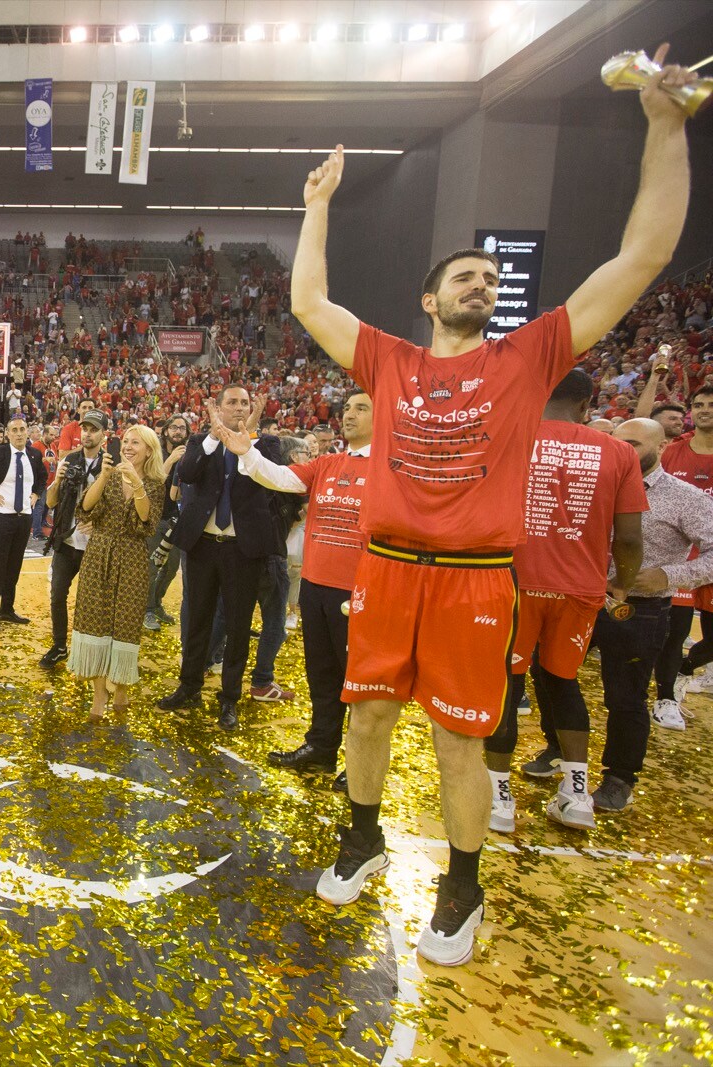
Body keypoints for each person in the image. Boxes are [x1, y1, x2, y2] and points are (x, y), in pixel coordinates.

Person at [290, 44, 693, 967]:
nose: (483, 281)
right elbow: (310, 298)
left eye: (490, 276)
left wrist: (663, 127)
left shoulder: (529, 359)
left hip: (476, 578)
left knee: (461, 744)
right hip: (386, 568)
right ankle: (361, 837)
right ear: (428, 297)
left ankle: (462, 889)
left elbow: (644, 254)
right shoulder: (391, 359)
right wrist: (315, 207)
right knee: (365, 720)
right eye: (463, 275)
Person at [485, 372, 645, 832]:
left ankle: (499, 799)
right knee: (561, 683)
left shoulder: (508, 438)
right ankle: (577, 795)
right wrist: (622, 584)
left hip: (511, 582)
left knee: (506, 687)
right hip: (579, 589)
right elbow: (630, 539)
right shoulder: (617, 452)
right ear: (585, 405)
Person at [215, 393, 374, 779]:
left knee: (359, 683)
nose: (348, 413)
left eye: (361, 408)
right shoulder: (328, 463)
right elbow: (282, 479)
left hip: (361, 593)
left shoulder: (390, 468)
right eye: (347, 407)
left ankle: (359, 766)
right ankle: (321, 747)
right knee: (321, 674)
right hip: (316, 587)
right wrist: (246, 454)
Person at [574, 418, 713, 812]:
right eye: (616, 443)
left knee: (625, 696)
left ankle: (619, 777)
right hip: (580, 598)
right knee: (553, 677)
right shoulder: (593, 483)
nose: (621, 451)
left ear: (664, 446)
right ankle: (557, 749)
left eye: (632, 444)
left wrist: (670, 575)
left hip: (639, 609)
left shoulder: (684, 497)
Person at [153, 386, 284, 731]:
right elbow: (188, 474)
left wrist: (249, 439)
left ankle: (229, 699)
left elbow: (270, 481)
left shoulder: (267, 445)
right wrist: (213, 437)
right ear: (218, 408)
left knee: (239, 626)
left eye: (245, 403)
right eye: (232, 402)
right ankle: (189, 686)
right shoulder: (199, 442)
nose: (239, 408)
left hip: (243, 549)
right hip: (203, 545)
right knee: (198, 618)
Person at [68, 424, 165, 719]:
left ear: (149, 449)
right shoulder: (107, 475)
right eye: (126, 441)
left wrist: (135, 481)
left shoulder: (155, 483)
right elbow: (85, 507)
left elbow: (145, 519)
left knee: (125, 624)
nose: (128, 446)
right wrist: (105, 475)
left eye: (136, 443)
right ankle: (99, 692)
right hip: (99, 554)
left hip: (133, 558)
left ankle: (121, 684)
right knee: (95, 619)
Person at [651, 384, 713, 725]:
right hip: (679, 558)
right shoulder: (673, 451)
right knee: (674, 633)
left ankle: (686, 669)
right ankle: (665, 698)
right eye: (699, 404)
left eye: (711, 405)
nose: (705, 409)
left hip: (711, 552)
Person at [39, 410, 109, 669]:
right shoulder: (69, 461)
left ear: (104, 434)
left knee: (90, 602)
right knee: (57, 595)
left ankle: (87, 649)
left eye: (93, 429)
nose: (88, 434)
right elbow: (50, 502)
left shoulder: (109, 466)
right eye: (85, 429)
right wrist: (56, 481)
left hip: (95, 545)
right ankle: (59, 645)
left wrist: (99, 524)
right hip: (66, 542)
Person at [0, 415, 45, 633]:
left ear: (27, 432)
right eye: (15, 430)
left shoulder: (34, 454)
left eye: (23, 429)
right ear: (9, 434)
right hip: (1, 519)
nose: (20, 433)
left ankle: (7, 609)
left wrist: (36, 494)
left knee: (14, 567)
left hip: (24, 520)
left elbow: (41, 478)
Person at [144, 415, 190, 630]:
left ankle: (157, 603)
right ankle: (147, 610)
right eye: (174, 427)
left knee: (171, 568)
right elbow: (153, 482)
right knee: (152, 567)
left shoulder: (189, 455)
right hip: (155, 518)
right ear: (165, 431)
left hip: (178, 520)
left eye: (182, 428)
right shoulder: (156, 453)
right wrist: (171, 459)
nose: (178, 431)